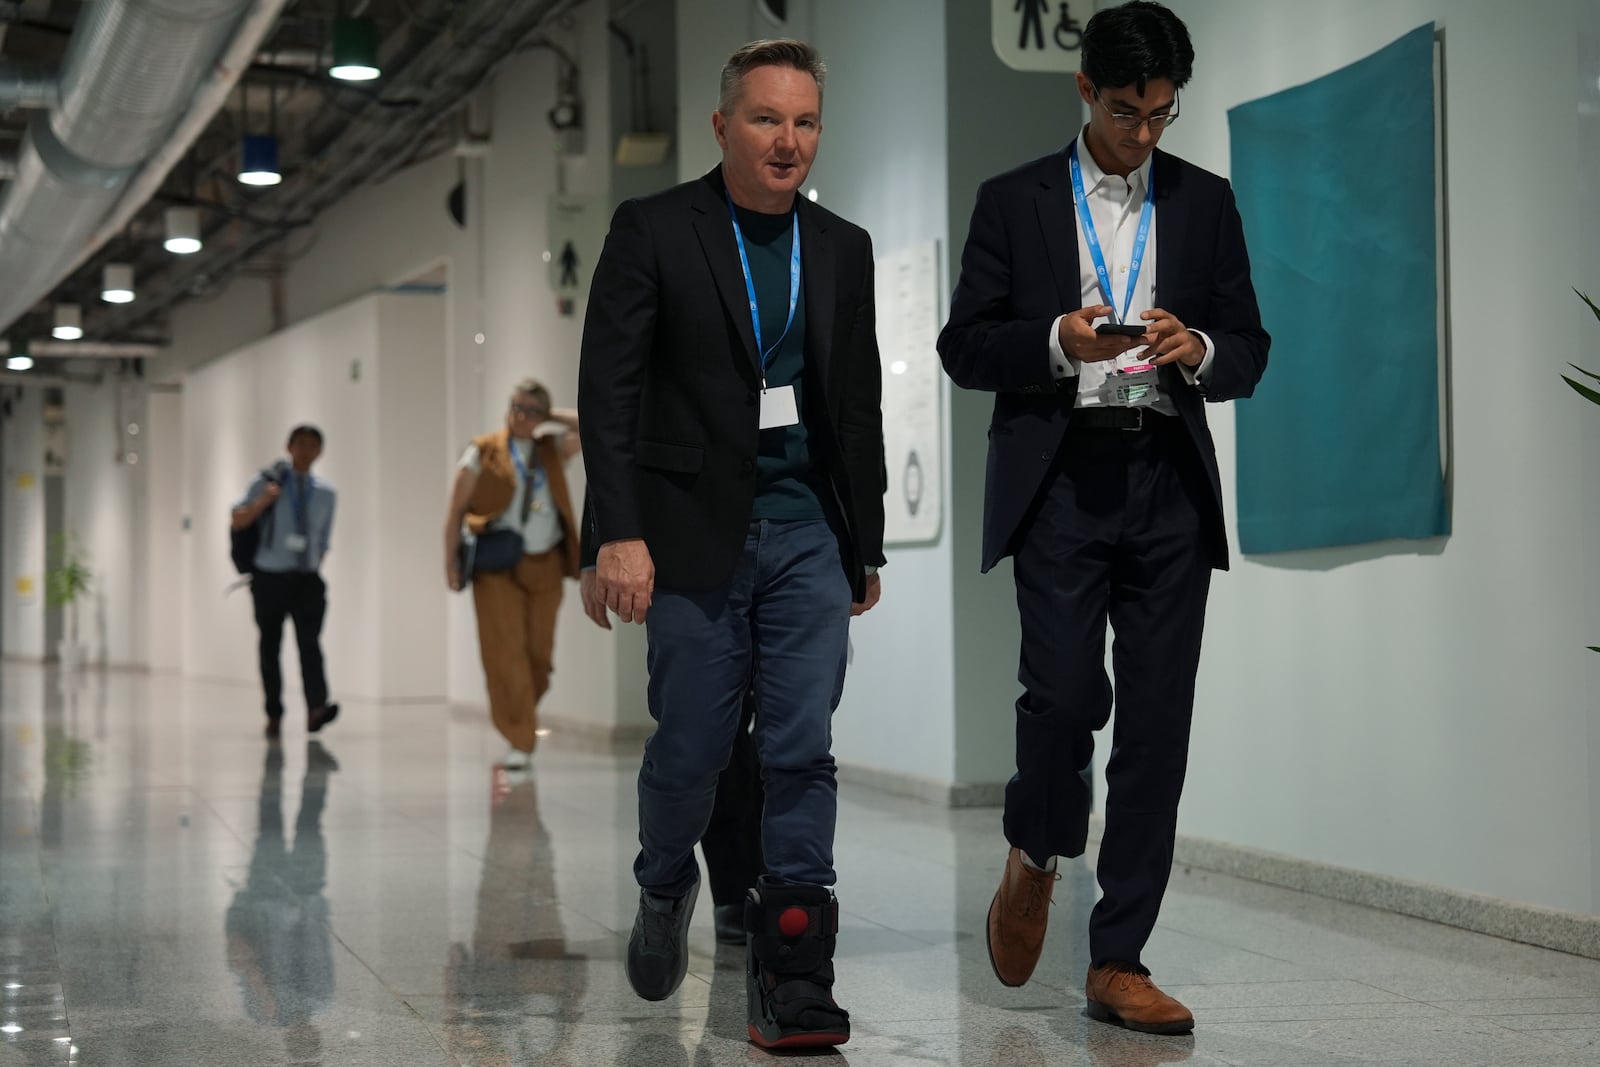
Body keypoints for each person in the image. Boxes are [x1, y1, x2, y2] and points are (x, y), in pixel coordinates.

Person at [938, 0, 1269, 1036]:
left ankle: (1118, 956)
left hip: (1166, 476)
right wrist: (1054, 341)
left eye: (1163, 113)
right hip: (1061, 479)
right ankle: (1035, 849)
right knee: (1065, 693)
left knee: (1157, 724)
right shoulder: (1014, 200)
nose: (1144, 132)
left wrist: (1198, 347)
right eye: (1128, 111)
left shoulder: (1206, 203)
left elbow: (1250, 347)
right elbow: (963, 346)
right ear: (1084, 91)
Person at [577, 38, 886, 1049]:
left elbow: (857, 399)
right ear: (722, 126)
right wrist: (613, 531)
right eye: (765, 119)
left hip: (806, 532)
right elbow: (608, 392)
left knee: (801, 745)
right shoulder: (655, 229)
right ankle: (665, 881)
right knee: (692, 748)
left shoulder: (840, 245)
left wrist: (864, 540)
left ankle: (794, 968)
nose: (787, 141)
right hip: (685, 535)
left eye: (803, 122)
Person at [578, 493, 766, 946]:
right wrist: (595, 548)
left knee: (787, 739)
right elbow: (613, 439)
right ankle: (734, 888)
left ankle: (775, 886)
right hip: (695, 544)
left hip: (792, 544)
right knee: (717, 734)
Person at [443, 380, 581, 770]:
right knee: (505, 655)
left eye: (530, 409)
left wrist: (550, 416)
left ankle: (519, 718)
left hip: (546, 563)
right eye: (516, 406)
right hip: (496, 566)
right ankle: (520, 739)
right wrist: (449, 561)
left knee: (539, 657)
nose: (520, 414)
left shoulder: (550, 449)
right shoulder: (483, 450)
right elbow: (455, 511)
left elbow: (592, 425)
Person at [231, 424, 339, 740]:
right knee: (270, 647)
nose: (306, 451)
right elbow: (238, 519)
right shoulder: (267, 483)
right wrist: (264, 501)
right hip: (270, 578)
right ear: (289, 447)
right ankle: (274, 712)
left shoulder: (326, 494)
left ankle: (316, 708)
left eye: (313, 445)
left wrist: (311, 564)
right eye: (300, 444)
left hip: (306, 579)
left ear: (320, 451)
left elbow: (324, 539)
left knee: (310, 644)